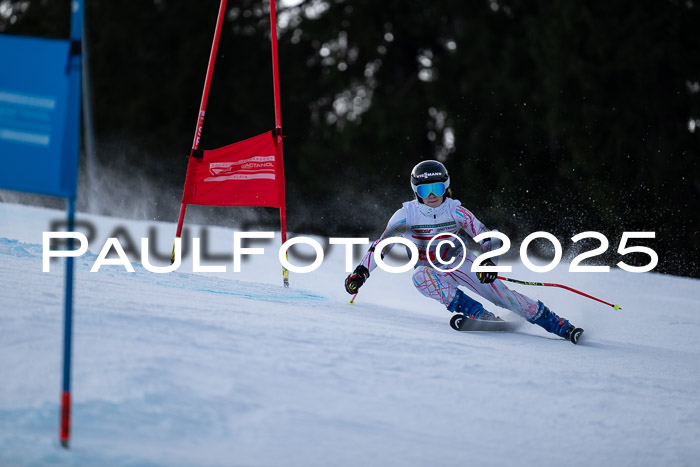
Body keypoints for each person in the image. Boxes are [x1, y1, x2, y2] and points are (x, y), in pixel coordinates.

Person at [344, 160, 584, 344]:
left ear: (446, 187)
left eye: (437, 188)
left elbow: (486, 236)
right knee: (420, 277)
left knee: (504, 296)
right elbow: (381, 246)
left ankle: (561, 326)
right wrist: (361, 272)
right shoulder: (405, 215)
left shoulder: (456, 212)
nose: (431, 195)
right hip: (429, 268)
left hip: (460, 261)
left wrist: (489, 262)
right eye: (424, 189)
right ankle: (478, 314)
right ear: (415, 190)